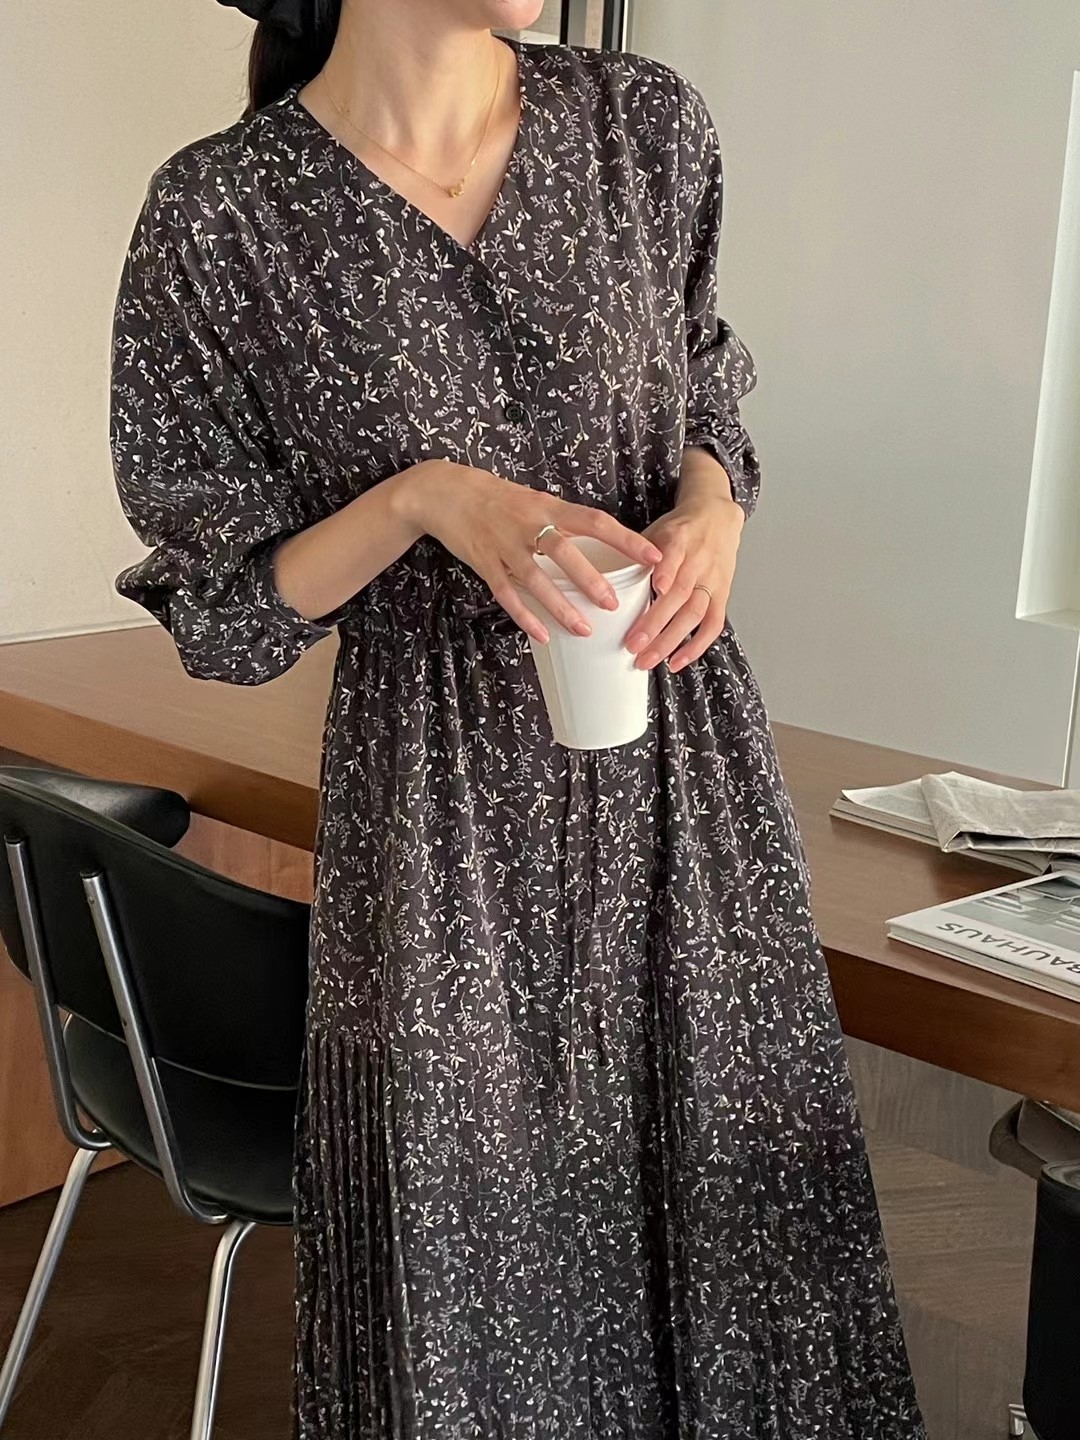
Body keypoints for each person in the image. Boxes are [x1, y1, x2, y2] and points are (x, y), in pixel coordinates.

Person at [108, 1, 928, 1434]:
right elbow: (225, 614)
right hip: (437, 821)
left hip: (679, 771)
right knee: (478, 1270)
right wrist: (424, 500)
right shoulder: (222, 213)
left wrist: (715, 509)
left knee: (739, 1229)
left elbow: (706, 384)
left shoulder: (641, 125)